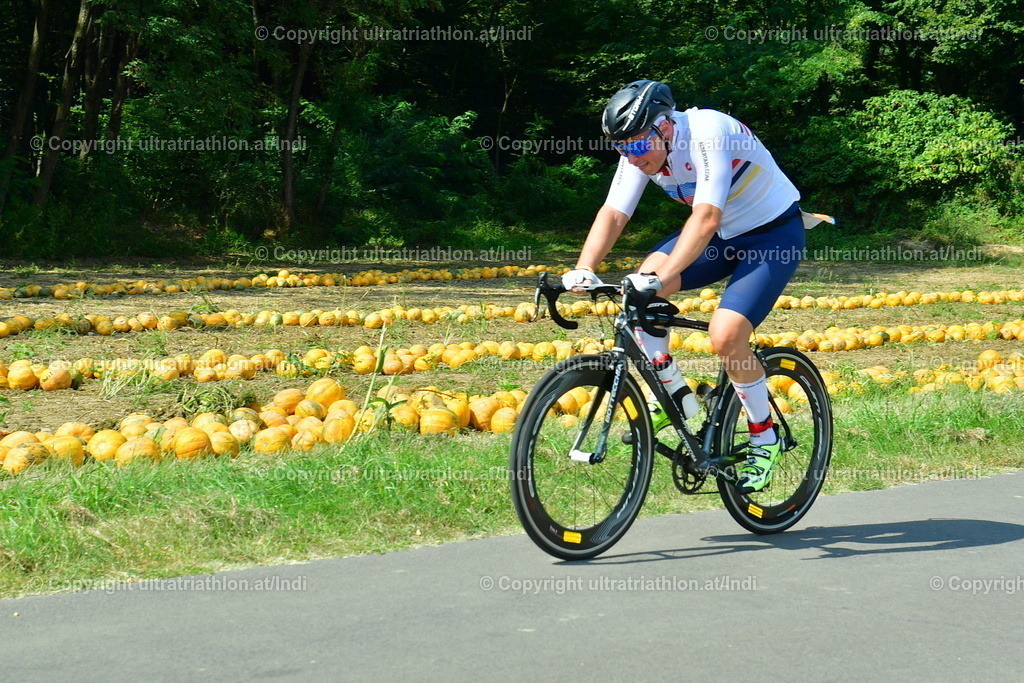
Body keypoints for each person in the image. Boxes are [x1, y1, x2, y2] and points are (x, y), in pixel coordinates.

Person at [562, 79, 807, 494]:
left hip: (772, 235)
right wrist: (584, 268)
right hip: (721, 238)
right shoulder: (639, 148)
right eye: (621, 149)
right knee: (635, 297)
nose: (631, 157)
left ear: (666, 127)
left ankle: (765, 436)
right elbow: (614, 213)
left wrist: (658, 278)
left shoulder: (708, 132)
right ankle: (675, 395)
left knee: (726, 334)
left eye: (637, 146)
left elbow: (707, 217)